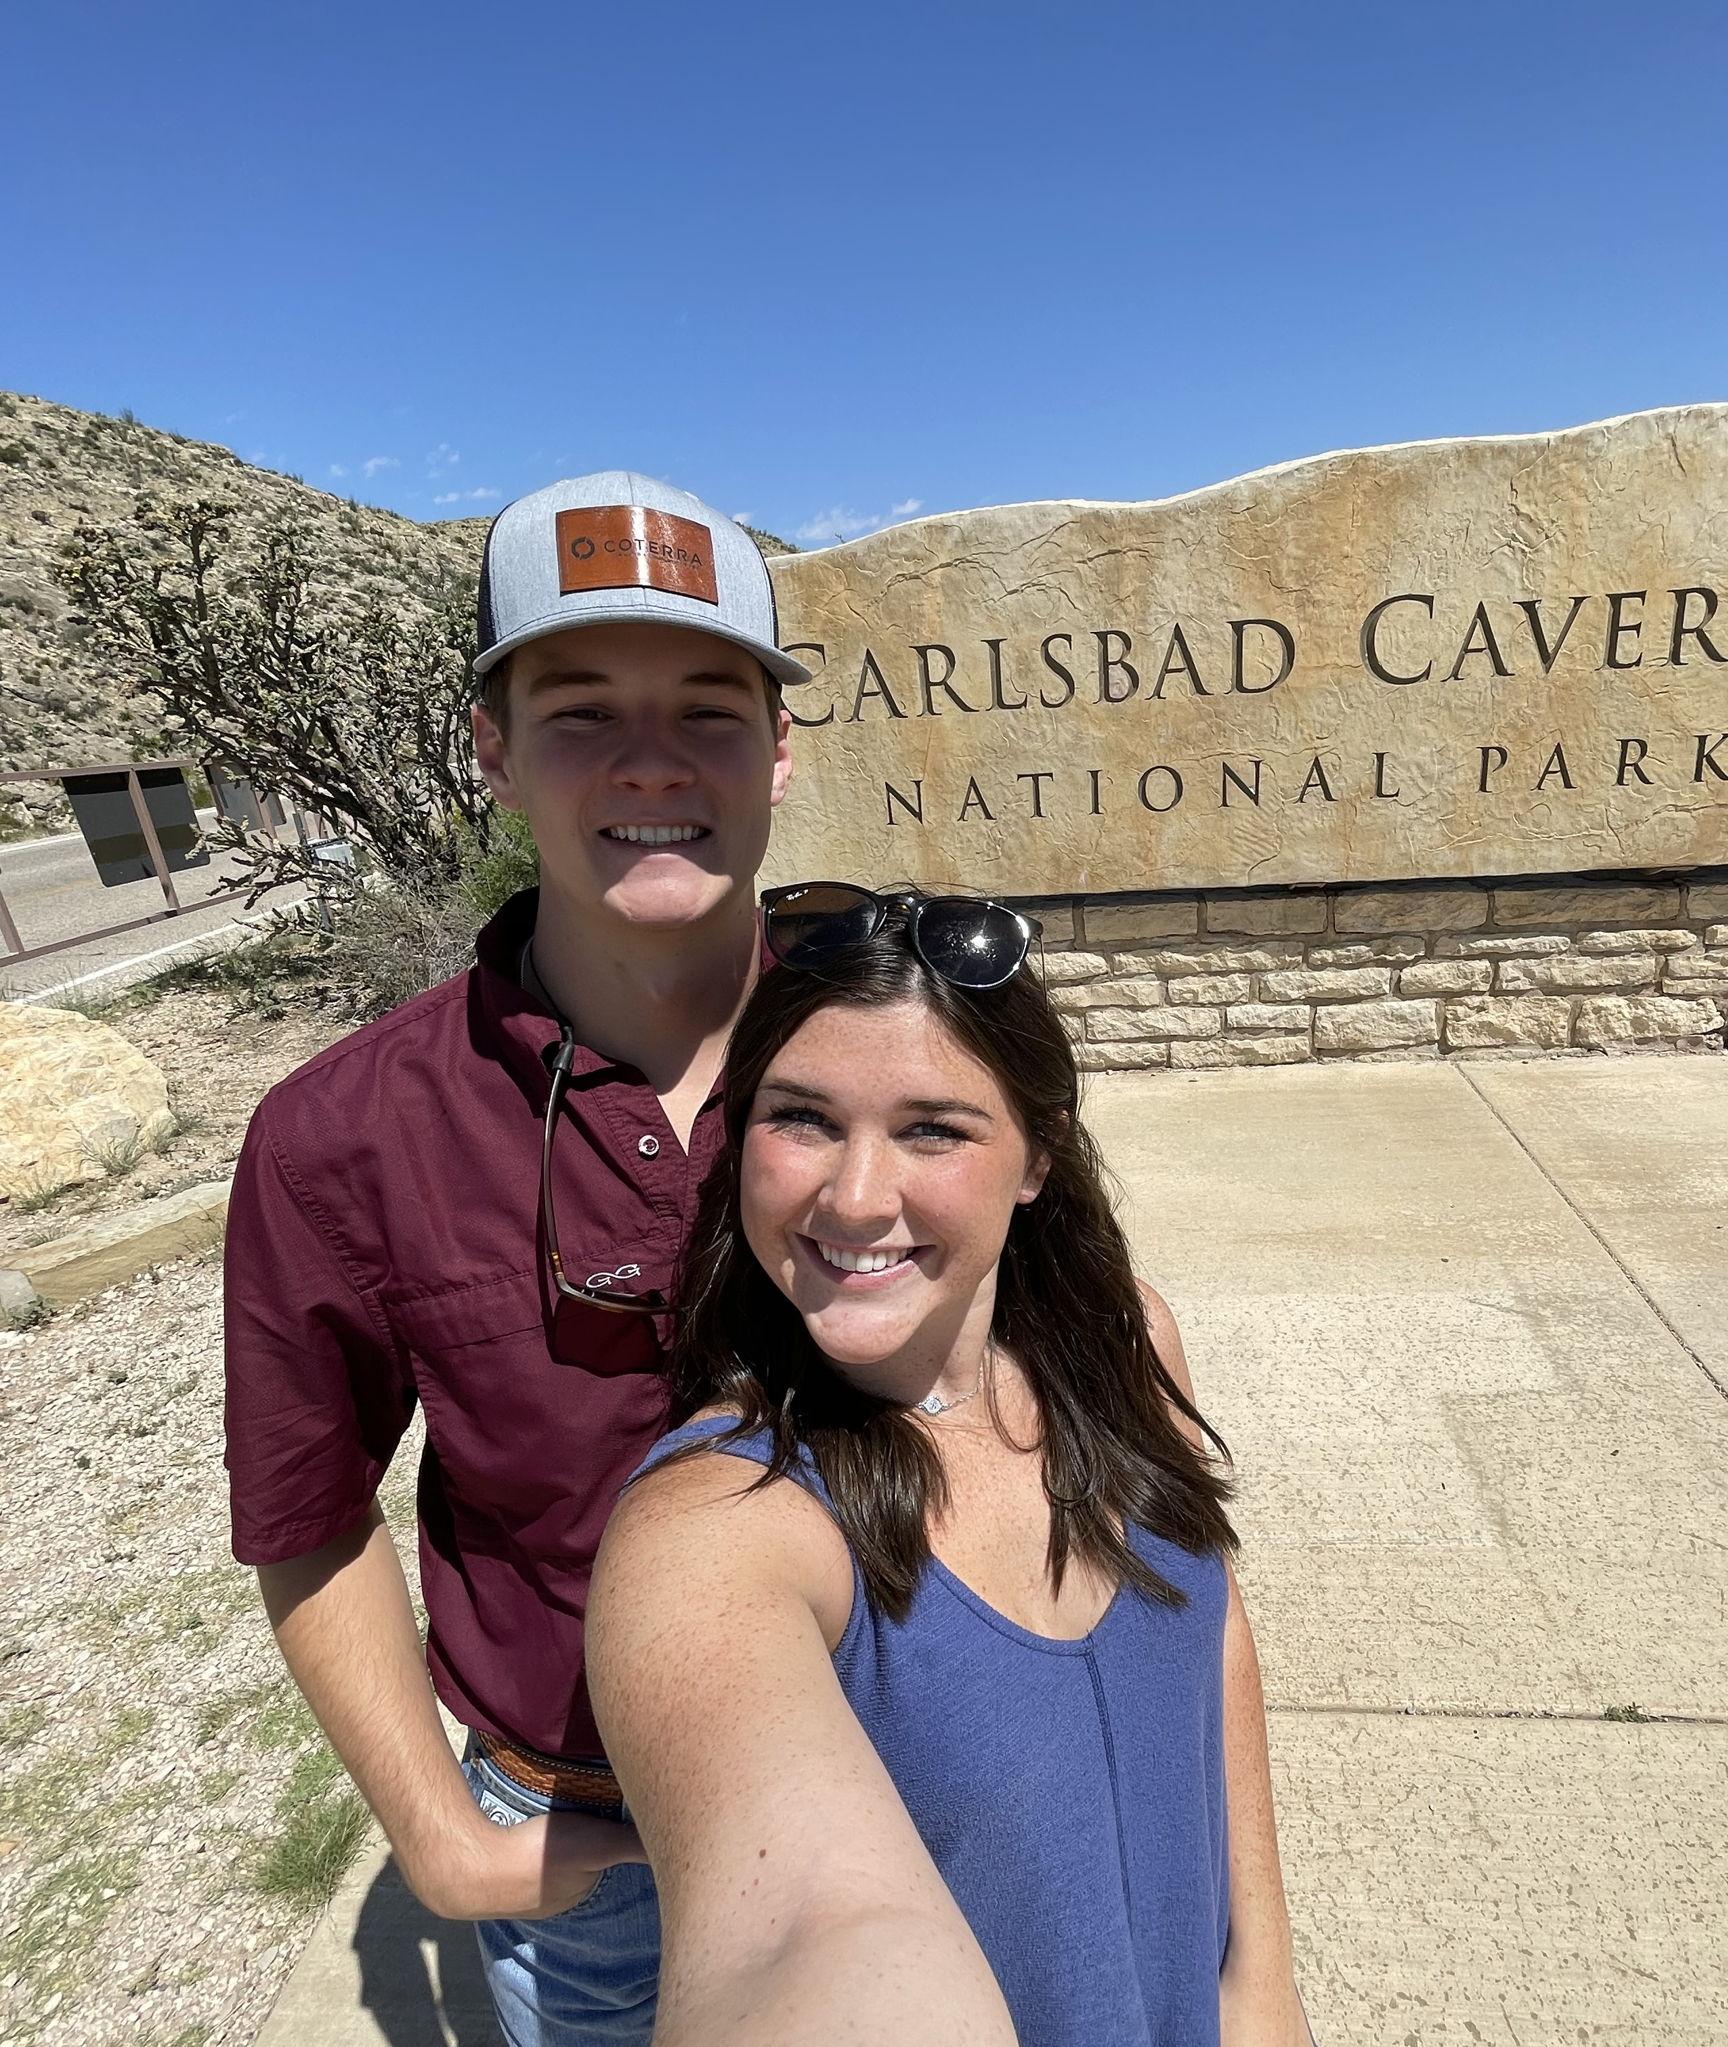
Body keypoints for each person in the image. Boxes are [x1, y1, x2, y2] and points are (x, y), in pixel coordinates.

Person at [223, 472, 805, 2046]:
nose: (650, 761)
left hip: (927, 1780)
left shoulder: (911, 1047)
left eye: (708, 703)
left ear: (778, 746)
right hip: (585, 1846)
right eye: (576, 710)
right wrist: (440, 1837)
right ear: (490, 749)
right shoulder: (337, 1138)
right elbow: (305, 1511)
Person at [587, 882, 1316, 2047]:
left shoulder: (1126, 1346)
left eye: (932, 1128)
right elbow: (797, 1938)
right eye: (802, 1119)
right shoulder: (722, 1518)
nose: (856, 1195)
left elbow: (1209, 1622)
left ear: (1036, 1158)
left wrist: (1261, 1981)